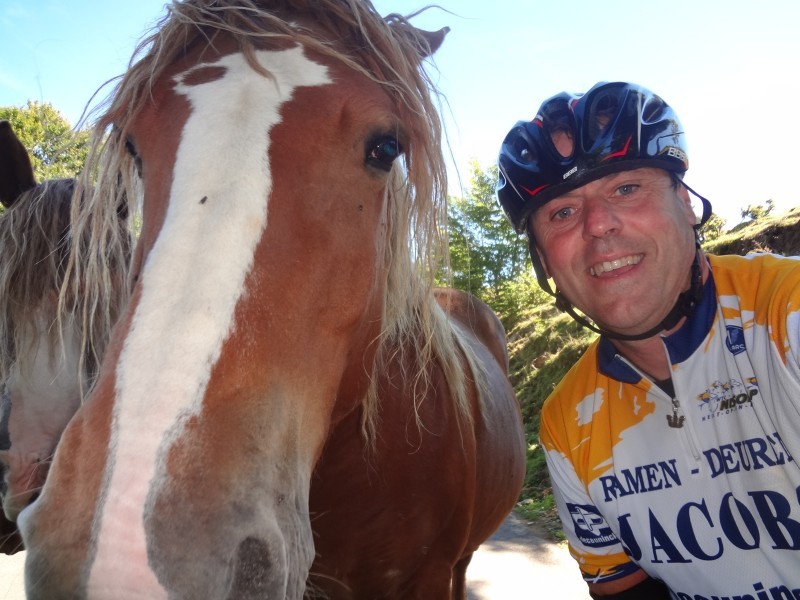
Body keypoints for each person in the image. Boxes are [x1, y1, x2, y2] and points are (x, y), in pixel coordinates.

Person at [495, 81, 800, 600]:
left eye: (625, 189)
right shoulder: (568, 423)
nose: (598, 225)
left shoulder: (784, 313)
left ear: (685, 203)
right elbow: (624, 590)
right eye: (562, 213)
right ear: (545, 262)